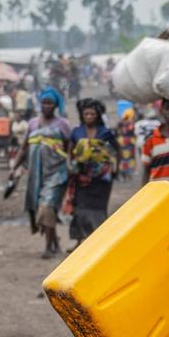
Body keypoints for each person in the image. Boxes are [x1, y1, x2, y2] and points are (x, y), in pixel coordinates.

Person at [15, 88, 72, 258]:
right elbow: (24, 147)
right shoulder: (32, 123)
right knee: (44, 208)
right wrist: (14, 168)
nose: (47, 106)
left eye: (50, 103)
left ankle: (48, 247)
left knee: (47, 206)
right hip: (36, 174)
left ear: (56, 105)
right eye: (44, 103)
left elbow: (70, 146)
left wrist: (70, 164)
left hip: (57, 172)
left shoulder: (62, 124)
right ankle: (55, 241)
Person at [66, 99, 119, 247]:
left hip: (101, 181)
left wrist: (115, 168)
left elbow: (116, 150)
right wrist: (70, 167)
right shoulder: (76, 132)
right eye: (86, 114)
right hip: (81, 177)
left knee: (98, 209)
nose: (89, 116)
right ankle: (79, 241)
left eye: (92, 114)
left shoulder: (106, 133)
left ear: (98, 115)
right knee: (80, 209)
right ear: (82, 115)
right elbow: (70, 151)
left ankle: (98, 242)